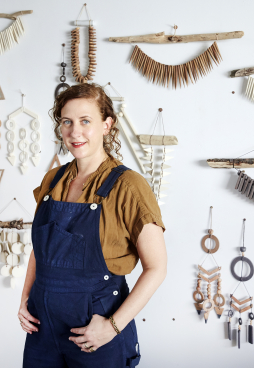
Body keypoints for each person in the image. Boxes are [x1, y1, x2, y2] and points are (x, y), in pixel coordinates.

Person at [18, 83, 167, 368]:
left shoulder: (128, 186)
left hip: (94, 334)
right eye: (67, 122)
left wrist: (112, 327)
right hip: (42, 329)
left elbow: (157, 267)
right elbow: (42, 249)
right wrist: (25, 298)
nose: (75, 132)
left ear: (106, 125)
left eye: (85, 121)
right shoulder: (53, 180)